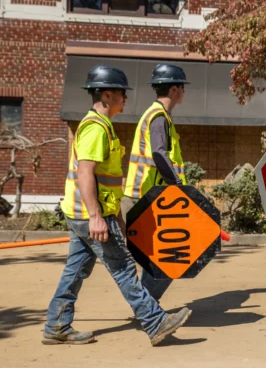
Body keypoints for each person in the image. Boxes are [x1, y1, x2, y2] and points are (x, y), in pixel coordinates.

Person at [43, 65, 191, 346]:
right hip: (89, 215)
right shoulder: (96, 128)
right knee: (123, 268)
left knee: (75, 271)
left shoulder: (101, 126)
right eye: (122, 94)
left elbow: (104, 179)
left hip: (83, 213)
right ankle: (155, 322)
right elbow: (86, 172)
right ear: (108, 95)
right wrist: (98, 217)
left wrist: (113, 215)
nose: (126, 98)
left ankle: (56, 325)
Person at [122, 64, 189, 303]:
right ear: (174, 89)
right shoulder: (159, 118)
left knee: (161, 259)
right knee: (170, 258)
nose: (184, 92)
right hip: (145, 200)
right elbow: (159, 154)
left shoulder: (156, 115)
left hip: (147, 198)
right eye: (182, 87)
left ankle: (147, 307)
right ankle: (147, 308)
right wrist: (180, 186)